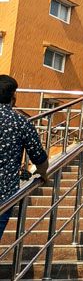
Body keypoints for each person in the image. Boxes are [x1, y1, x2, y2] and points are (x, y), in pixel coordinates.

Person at [0, 75, 51, 241]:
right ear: (13, 95)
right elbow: (39, 157)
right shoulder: (20, 122)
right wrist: (43, 174)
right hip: (3, 193)